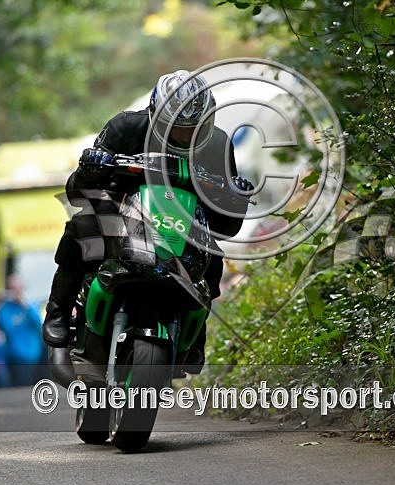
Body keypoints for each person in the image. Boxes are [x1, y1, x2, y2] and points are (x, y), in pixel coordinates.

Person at [42, 69, 253, 376]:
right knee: (81, 225)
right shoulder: (125, 126)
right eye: (177, 129)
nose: (185, 136)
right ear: (156, 117)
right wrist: (92, 168)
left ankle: (196, 338)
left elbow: (226, 226)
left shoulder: (218, 145)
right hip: (121, 211)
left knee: (214, 258)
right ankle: (58, 311)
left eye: (193, 129)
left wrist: (237, 200)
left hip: (183, 223)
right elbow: (77, 191)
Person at [0, 274, 46, 386]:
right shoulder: (4, 310)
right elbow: (7, 329)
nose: (16, 292)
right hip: (17, 358)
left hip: (35, 356)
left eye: (18, 288)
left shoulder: (30, 306)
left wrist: (25, 306)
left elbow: (38, 324)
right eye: (12, 288)